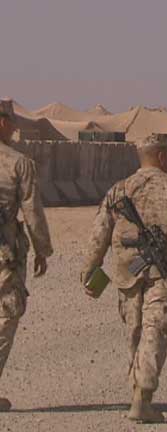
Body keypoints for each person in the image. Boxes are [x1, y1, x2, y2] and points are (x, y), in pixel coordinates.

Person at [81, 134, 167, 423]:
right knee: (155, 330)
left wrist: (90, 269)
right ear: (162, 157)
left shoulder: (119, 189)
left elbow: (99, 231)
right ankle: (142, 396)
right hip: (161, 274)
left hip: (127, 273)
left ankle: (138, 392)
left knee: (136, 331)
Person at [0, 99, 53, 412]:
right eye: (12, 121)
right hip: (5, 252)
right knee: (7, 312)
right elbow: (32, 211)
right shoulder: (18, 163)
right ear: (3, 122)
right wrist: (42, 250)